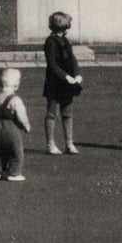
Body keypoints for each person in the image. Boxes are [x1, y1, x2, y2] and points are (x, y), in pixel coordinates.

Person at [42, 10, 83, 156]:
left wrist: (77, 74)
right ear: (60, 27)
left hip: (68, 81)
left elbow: (72, 59)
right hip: (55, 81)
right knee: (52, 113)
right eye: (66, 26)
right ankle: (50, 144)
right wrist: (66, 77)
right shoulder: (50, 42)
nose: (68, 28)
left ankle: (69, 143)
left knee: (67, 112)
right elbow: (52, 64)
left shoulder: (65, 41)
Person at [0, 68, 30, 182]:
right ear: (16, 84)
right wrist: (26, 126)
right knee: (16, 151)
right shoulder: (15, 99)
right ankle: (14, 173)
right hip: (11, 128)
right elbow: (21, 115)